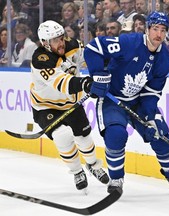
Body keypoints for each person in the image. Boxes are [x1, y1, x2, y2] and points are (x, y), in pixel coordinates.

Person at [83, 11, 169, 194]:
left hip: (138, 102)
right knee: (116, 135)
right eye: (155, 29)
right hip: (113, 99)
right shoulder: (129, 43)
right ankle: (116, 178)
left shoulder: (164, 59)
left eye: (162, 30)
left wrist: (150, 117)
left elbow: (151, 92)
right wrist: (97, 75)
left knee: (161, 135)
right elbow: (93, 47)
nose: (158, 34)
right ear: (148, 29)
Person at [30, 20, 109, 192]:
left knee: (84, 137)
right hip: (46, 106)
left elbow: (90, 58)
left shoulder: (72, 45)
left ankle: (93, 165)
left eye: (61, 37)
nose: (61, 42)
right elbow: (62, 83)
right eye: (55, 40)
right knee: (62, 135)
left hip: (71, 103)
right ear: (45, 43)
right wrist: (86, 83)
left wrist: (104, 67)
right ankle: (77, 171)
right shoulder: (40, 60)